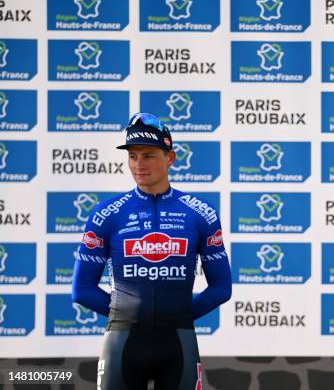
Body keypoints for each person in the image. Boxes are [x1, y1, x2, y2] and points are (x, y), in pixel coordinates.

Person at [72, 112, 232, 389]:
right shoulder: (106, 214)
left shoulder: (201, 213)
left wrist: (179, 315)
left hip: (178, 343)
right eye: (133, 156)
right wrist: (125, 316)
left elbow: (222, 287)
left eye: (148, 156)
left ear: (170, 158)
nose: (139, 165)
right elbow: (82, 289)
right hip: (123, 342)